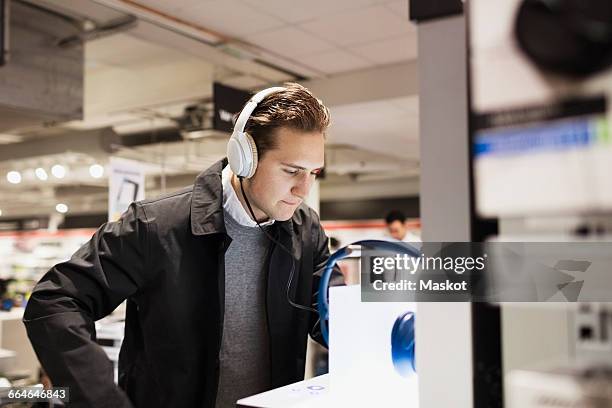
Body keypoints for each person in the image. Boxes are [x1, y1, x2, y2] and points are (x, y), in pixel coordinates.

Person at [23, 83, 338, 408]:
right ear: (245, 157)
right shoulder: (155, 226)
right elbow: (56, 300)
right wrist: (99, 398)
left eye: (314, 172)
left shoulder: (306, 230)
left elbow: (329, 316)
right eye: (291, 171)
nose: (303, 188)